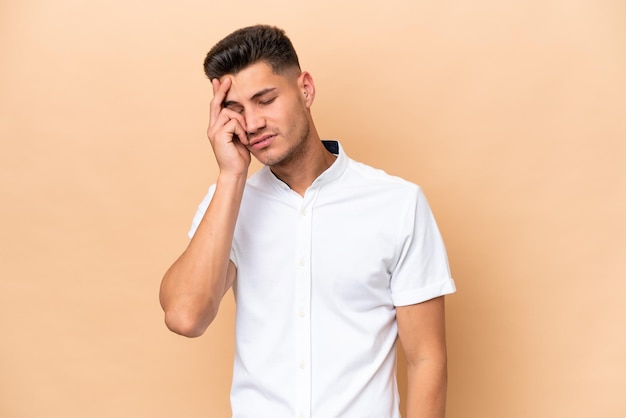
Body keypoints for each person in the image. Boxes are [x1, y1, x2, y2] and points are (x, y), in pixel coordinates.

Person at [159, 24, 456, 418]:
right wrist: (231, 177)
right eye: (236, 110)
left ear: (305, 89)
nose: (251, 124)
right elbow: (185, 316)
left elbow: (426, 360)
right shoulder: (229, 204)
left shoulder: (397, 203)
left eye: (265, 100)